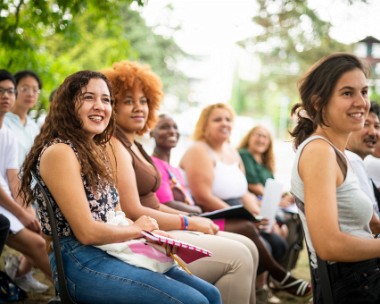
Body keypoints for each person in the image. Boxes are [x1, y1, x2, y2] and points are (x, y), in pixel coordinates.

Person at [19, 70, 221, 304]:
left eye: (106, 100)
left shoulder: (94, 150)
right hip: (79, 260)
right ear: (68, 104)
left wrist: (151, 235)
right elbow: (87, 232)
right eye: (88, 97)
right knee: (195, 302)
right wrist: (137, 229)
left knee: (211, 294)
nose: (99, 106)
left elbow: (114, 215)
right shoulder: (60, 152)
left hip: (113, 248)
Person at [102, 60, 259, 304]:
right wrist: (188, 222)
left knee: (249, 246)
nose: (138, 108)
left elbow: (154, 204)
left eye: (143, 101)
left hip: (161, 227)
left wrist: (193, 221)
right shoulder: (115, 144)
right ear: (112, 105)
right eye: (128, 101)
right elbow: (132, 210)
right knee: (239, 257)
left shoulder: (136, 145)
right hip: (144, 238)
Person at [180, 102, 311, 300]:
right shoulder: (199, 150)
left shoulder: (231, 151)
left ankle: (265, 287)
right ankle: (280, 278)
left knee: (276, 240)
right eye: (217, 119)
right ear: (205, 126)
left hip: (238, 211)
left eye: (228, 119)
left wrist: (260, 216)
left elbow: (243, 193)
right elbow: (203, 197)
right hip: (211, 214)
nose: (224, 123)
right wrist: (246, 216)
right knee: (253, 234)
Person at [290, 53, 380, 304]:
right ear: (319, 103)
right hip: (355, 288)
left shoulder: (337, 153)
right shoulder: (319, 152)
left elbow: (372, 223)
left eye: (364, 91)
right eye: (347, 93)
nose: (361, 102)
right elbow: (328, 245)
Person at [0, 69, 53, 293]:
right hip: (5, 202)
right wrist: (22, 211)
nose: (6, 96)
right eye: (1, 91)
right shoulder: (9, 126)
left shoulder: (11, 133)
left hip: (18, 195)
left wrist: (27, 208)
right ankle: (70, 291)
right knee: (39, 242)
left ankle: (21, 273)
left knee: (44, 233)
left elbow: (13, 177)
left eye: (9, 91)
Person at [346, 101, 380, 215]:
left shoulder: (357, 162)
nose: (373, 132)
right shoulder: (351, 160)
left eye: (377, 126)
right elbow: (373, 222)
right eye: (365, 124)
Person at [4, 70, 41, 168]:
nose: (30, 94)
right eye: (24, 88)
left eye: (35, 90)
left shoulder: (34, 127)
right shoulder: (3, 121)